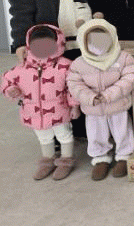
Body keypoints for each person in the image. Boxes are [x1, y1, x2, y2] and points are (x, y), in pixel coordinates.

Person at [2, 24, 80, 180]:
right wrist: (11, 89)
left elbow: (73, 87)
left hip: (59, 110)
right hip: (34, 112)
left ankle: (66, 161)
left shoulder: (64, 66)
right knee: (43, 137)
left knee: (64, 135)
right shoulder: (23, 66)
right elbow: (7, 79)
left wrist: (74, 106)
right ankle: (47, 161)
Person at [66, 19, 134, 181]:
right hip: (93, 107)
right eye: (92, 41)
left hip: (117, 104)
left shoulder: (123, 58)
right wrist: (89, 97)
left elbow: (131, 77)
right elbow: (74, 84)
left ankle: (124, 155)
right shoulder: (79, 63)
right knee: (95, 132)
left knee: (122, 130)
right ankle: (100, 158)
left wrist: (109, 94)